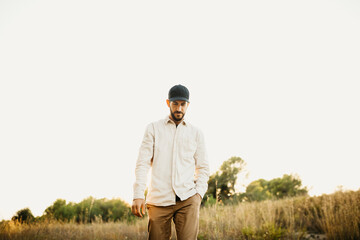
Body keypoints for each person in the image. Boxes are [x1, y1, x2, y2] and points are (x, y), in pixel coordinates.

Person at [132, 84, 210, 240]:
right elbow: (142, 163)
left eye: (183, 104)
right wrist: (138, 194)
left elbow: (203, 167)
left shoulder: (196, 133)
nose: (179, 108)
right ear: (168, 103)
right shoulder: (153, 129)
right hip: (159, 201)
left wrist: (198, 195)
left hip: (187, 199)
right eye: (175, 104)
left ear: (188, 105)